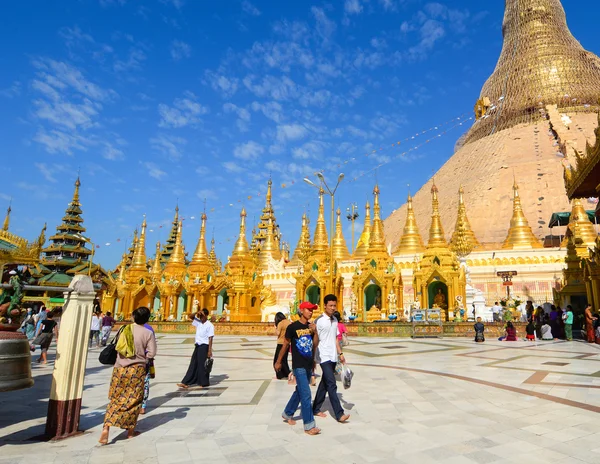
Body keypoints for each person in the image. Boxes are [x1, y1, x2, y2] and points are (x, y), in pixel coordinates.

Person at [99, 306, 156, 445]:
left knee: (116, 397)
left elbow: (117, 345)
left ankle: (106, 428)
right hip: (137, 370)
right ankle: (130, 432)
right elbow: (152, 353)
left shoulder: (124, 329)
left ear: (133, 316)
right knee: (134, 399)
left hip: (119, 369)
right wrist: (143, 356)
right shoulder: (147, 333)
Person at [275, 301, 320, 436]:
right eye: (308, 309)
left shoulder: (311, 327)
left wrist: (315, 331)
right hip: (298, 365)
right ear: (301, 311)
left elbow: (314, 345)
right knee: (306, 394)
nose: (311, 312)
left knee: (300, 391)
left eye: (312, 310)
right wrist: (278, 362)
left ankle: (287, 413)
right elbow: (285, 345)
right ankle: (309, 425)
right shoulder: (292, 327)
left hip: (308, 363)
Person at [312, 295, 350, 423]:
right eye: (330, 306)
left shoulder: (335, 320)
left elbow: (335, 339)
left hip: (333, 356)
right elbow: (314, 340)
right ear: (325, 306)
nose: (333, 308)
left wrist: (340, 354)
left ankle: (316, 408)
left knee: (324, 384)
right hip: (323, 356)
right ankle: (339, 413)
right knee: (332, 384)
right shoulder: (319, 321)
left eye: (334, 305)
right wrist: (312, 358)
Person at [178, 308, 214, 389]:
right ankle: (186, 382)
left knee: (202, 365)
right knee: (193, 363)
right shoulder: (199, 323)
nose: (201, 317)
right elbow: (190, 316)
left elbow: (210, 338)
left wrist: (209, 350)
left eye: (203, 315)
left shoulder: (210, 325)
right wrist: (196, 312)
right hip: (198, 346)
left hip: (204, 346)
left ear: (206, 316)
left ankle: (204, 382)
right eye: (200, 316)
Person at [140, 321, 156, 415]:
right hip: (146, 359)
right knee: (145, 382)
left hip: (134, 360)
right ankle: (143, 405)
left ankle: (140, 405)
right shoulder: (150, 329)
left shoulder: (130, 328)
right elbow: (153, 349)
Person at [273, 312, 291, 380]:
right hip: (287, 343)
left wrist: (276, 327)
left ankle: (283, 374)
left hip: (280, 343)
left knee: (277, 360)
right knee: (284, 359)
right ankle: (285, 374)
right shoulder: (288, 322)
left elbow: (278, 333)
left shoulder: (281, 323)